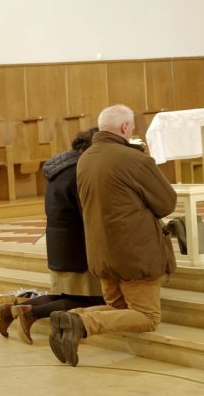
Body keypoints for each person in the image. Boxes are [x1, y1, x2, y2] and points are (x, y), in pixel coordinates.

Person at [49, 105, 177, 366]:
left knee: (119, 310)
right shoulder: (134, 159)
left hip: (101, 253)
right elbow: (166, 203)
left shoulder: (85, 159)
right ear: (125, 128)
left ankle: (70, 318)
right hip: (134, 253)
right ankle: (80, 320)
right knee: (147, 317)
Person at [0, 128, 105, 343]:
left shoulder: (61, 167)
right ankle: (30, 314)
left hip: (60, 241)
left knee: (62, 295)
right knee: (89, 300)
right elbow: (88, 211)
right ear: (87, 149)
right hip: (77, 243)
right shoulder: (78, 171)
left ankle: (11, 310)